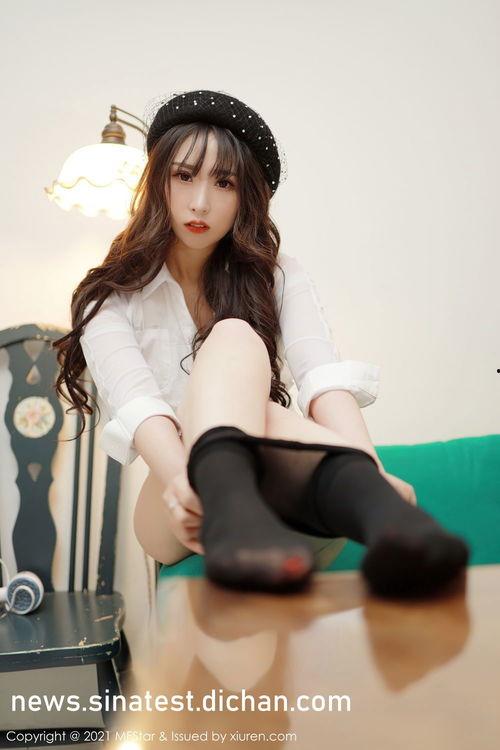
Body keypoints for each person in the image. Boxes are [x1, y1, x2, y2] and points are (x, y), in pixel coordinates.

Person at [53, 89, 469, 598]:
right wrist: (189, 482)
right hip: (178, 500)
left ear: (245, 195)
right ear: (158, 179)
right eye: (184, 176)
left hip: (281, 493)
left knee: (238, 346)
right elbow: (141, 409)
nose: (200, 202)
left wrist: (372, 463)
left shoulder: (277, 276)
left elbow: (321, 377)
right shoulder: (109, 296)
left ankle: (370, 504)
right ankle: (365, 507)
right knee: (240, 355)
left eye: (223, 182)